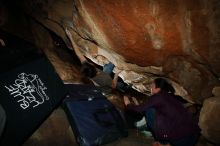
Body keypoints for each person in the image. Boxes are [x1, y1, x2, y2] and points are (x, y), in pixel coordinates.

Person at [123, 78, 200, 146]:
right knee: (153, 111)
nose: (150, 87)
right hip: (192, 136)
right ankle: (167, 141)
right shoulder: (170, 97)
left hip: (181, 140)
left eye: (152, 85)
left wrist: (128, 104)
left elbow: (141, 109)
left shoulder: (158, 96)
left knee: (150, 111)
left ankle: (163, 143)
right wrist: (138, 105)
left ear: (157, 88)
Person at [65, 28, 129, 94]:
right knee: (118, 85)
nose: (91, 63)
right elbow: (113, 86)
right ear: (94, 68)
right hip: (107, 88)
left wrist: (70, 37)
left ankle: (120, 83)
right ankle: (124, 88)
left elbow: (79, 54)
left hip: (102, 77)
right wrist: (116, 75)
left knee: (110, 65)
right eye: (91, 63)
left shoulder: (87, 69)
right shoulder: (104, 78)